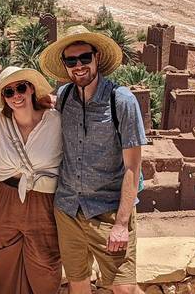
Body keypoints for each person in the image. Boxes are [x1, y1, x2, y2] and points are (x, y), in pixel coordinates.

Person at [39, 26, 147, 294]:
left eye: (84, 58)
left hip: (108, 212)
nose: (79, 66)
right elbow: (40, 104)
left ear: (97, 57)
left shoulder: (121, 101)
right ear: (65, 65)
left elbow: (133, 166)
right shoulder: (64, 97)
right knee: (78, 283)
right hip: (68, 209)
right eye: (71, 61)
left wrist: (122, 224)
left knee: (124, 288)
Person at [0, 66, 63, 294]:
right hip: (6, 199)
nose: (16, 96)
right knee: (3, 260)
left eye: (20, 88)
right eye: (8, 92)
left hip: (44, 199)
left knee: (45, 262)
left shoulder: (54, 121)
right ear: (3, 98)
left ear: (31, 89)